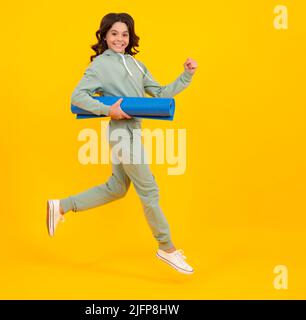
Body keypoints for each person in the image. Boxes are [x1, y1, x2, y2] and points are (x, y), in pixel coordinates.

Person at [47, 12, 198, 274]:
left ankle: (61, 206)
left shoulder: (137, 65)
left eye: (125, 34)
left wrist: (185, 75)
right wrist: (108, 111)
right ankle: (167, 247)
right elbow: (78, 96)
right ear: (104, 36)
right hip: (120, 133)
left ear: (130, 37)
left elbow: (160, 95)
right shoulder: (100, 66)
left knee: (117, 188)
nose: (120, 38)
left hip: (134, 132)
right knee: (149, 190)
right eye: (114, 33)